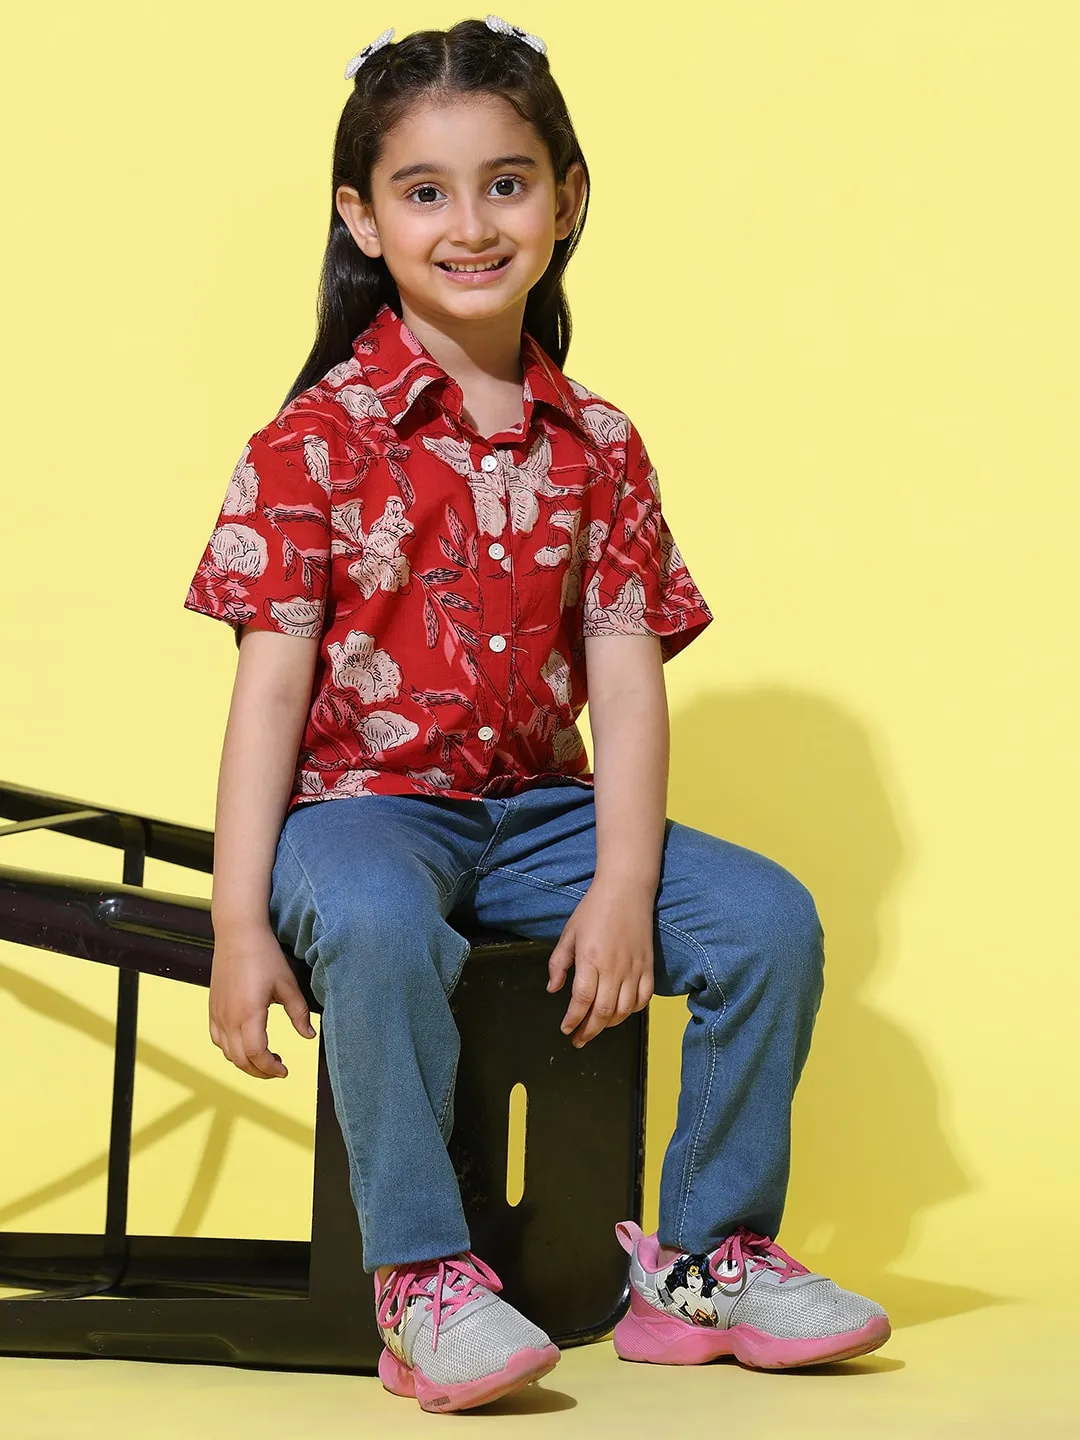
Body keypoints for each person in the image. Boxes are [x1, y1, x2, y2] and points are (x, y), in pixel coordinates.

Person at [184, 14, 890, 1416]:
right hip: (363, 817)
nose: (470, 223)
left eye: (507, 183)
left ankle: (703, 1260)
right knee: (381, 929)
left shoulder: (602, 445)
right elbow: (270, 688)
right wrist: (237, 920)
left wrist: (626, 879)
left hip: (542, 816)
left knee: (771, 920)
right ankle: (423, 1282)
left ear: (566, 199)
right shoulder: (311, 443)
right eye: (424, 191)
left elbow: (626, 678)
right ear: (362, 215)